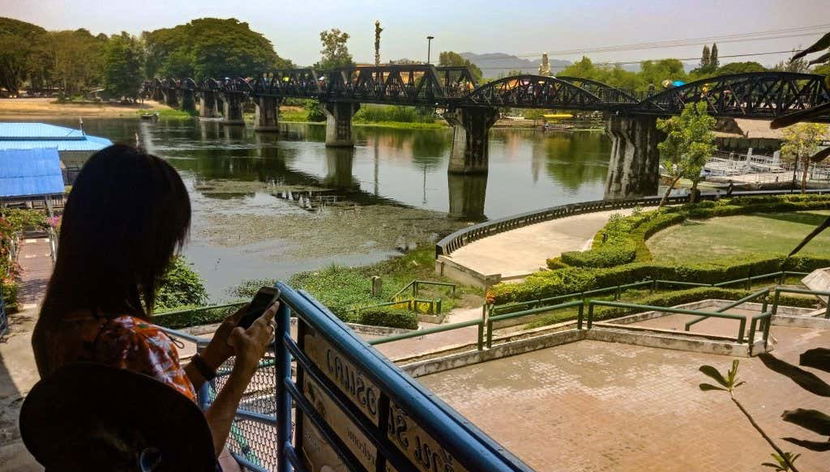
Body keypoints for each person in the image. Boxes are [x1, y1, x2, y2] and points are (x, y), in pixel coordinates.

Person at [31, 144, 276, 464]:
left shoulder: (54, 325)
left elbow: (154, 410)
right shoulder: (135, 341)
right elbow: (195, 454)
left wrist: (212, 357)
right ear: (143, 244)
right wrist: (244, 369)